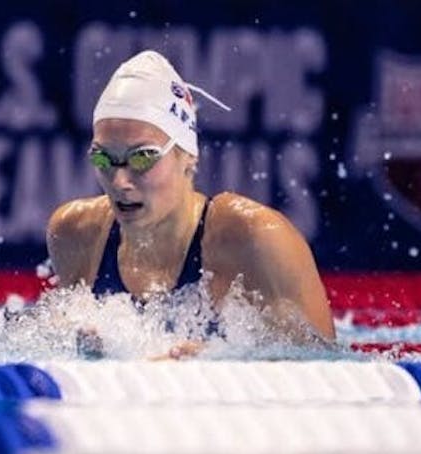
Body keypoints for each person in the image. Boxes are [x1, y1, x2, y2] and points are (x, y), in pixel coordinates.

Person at [45, 50, 335, 356]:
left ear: (188, 156)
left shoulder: (255, 237)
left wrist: (219, 362)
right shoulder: (76, 233)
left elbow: (325, 366)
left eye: (142, 157)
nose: (119, 182)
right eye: (103, 158)